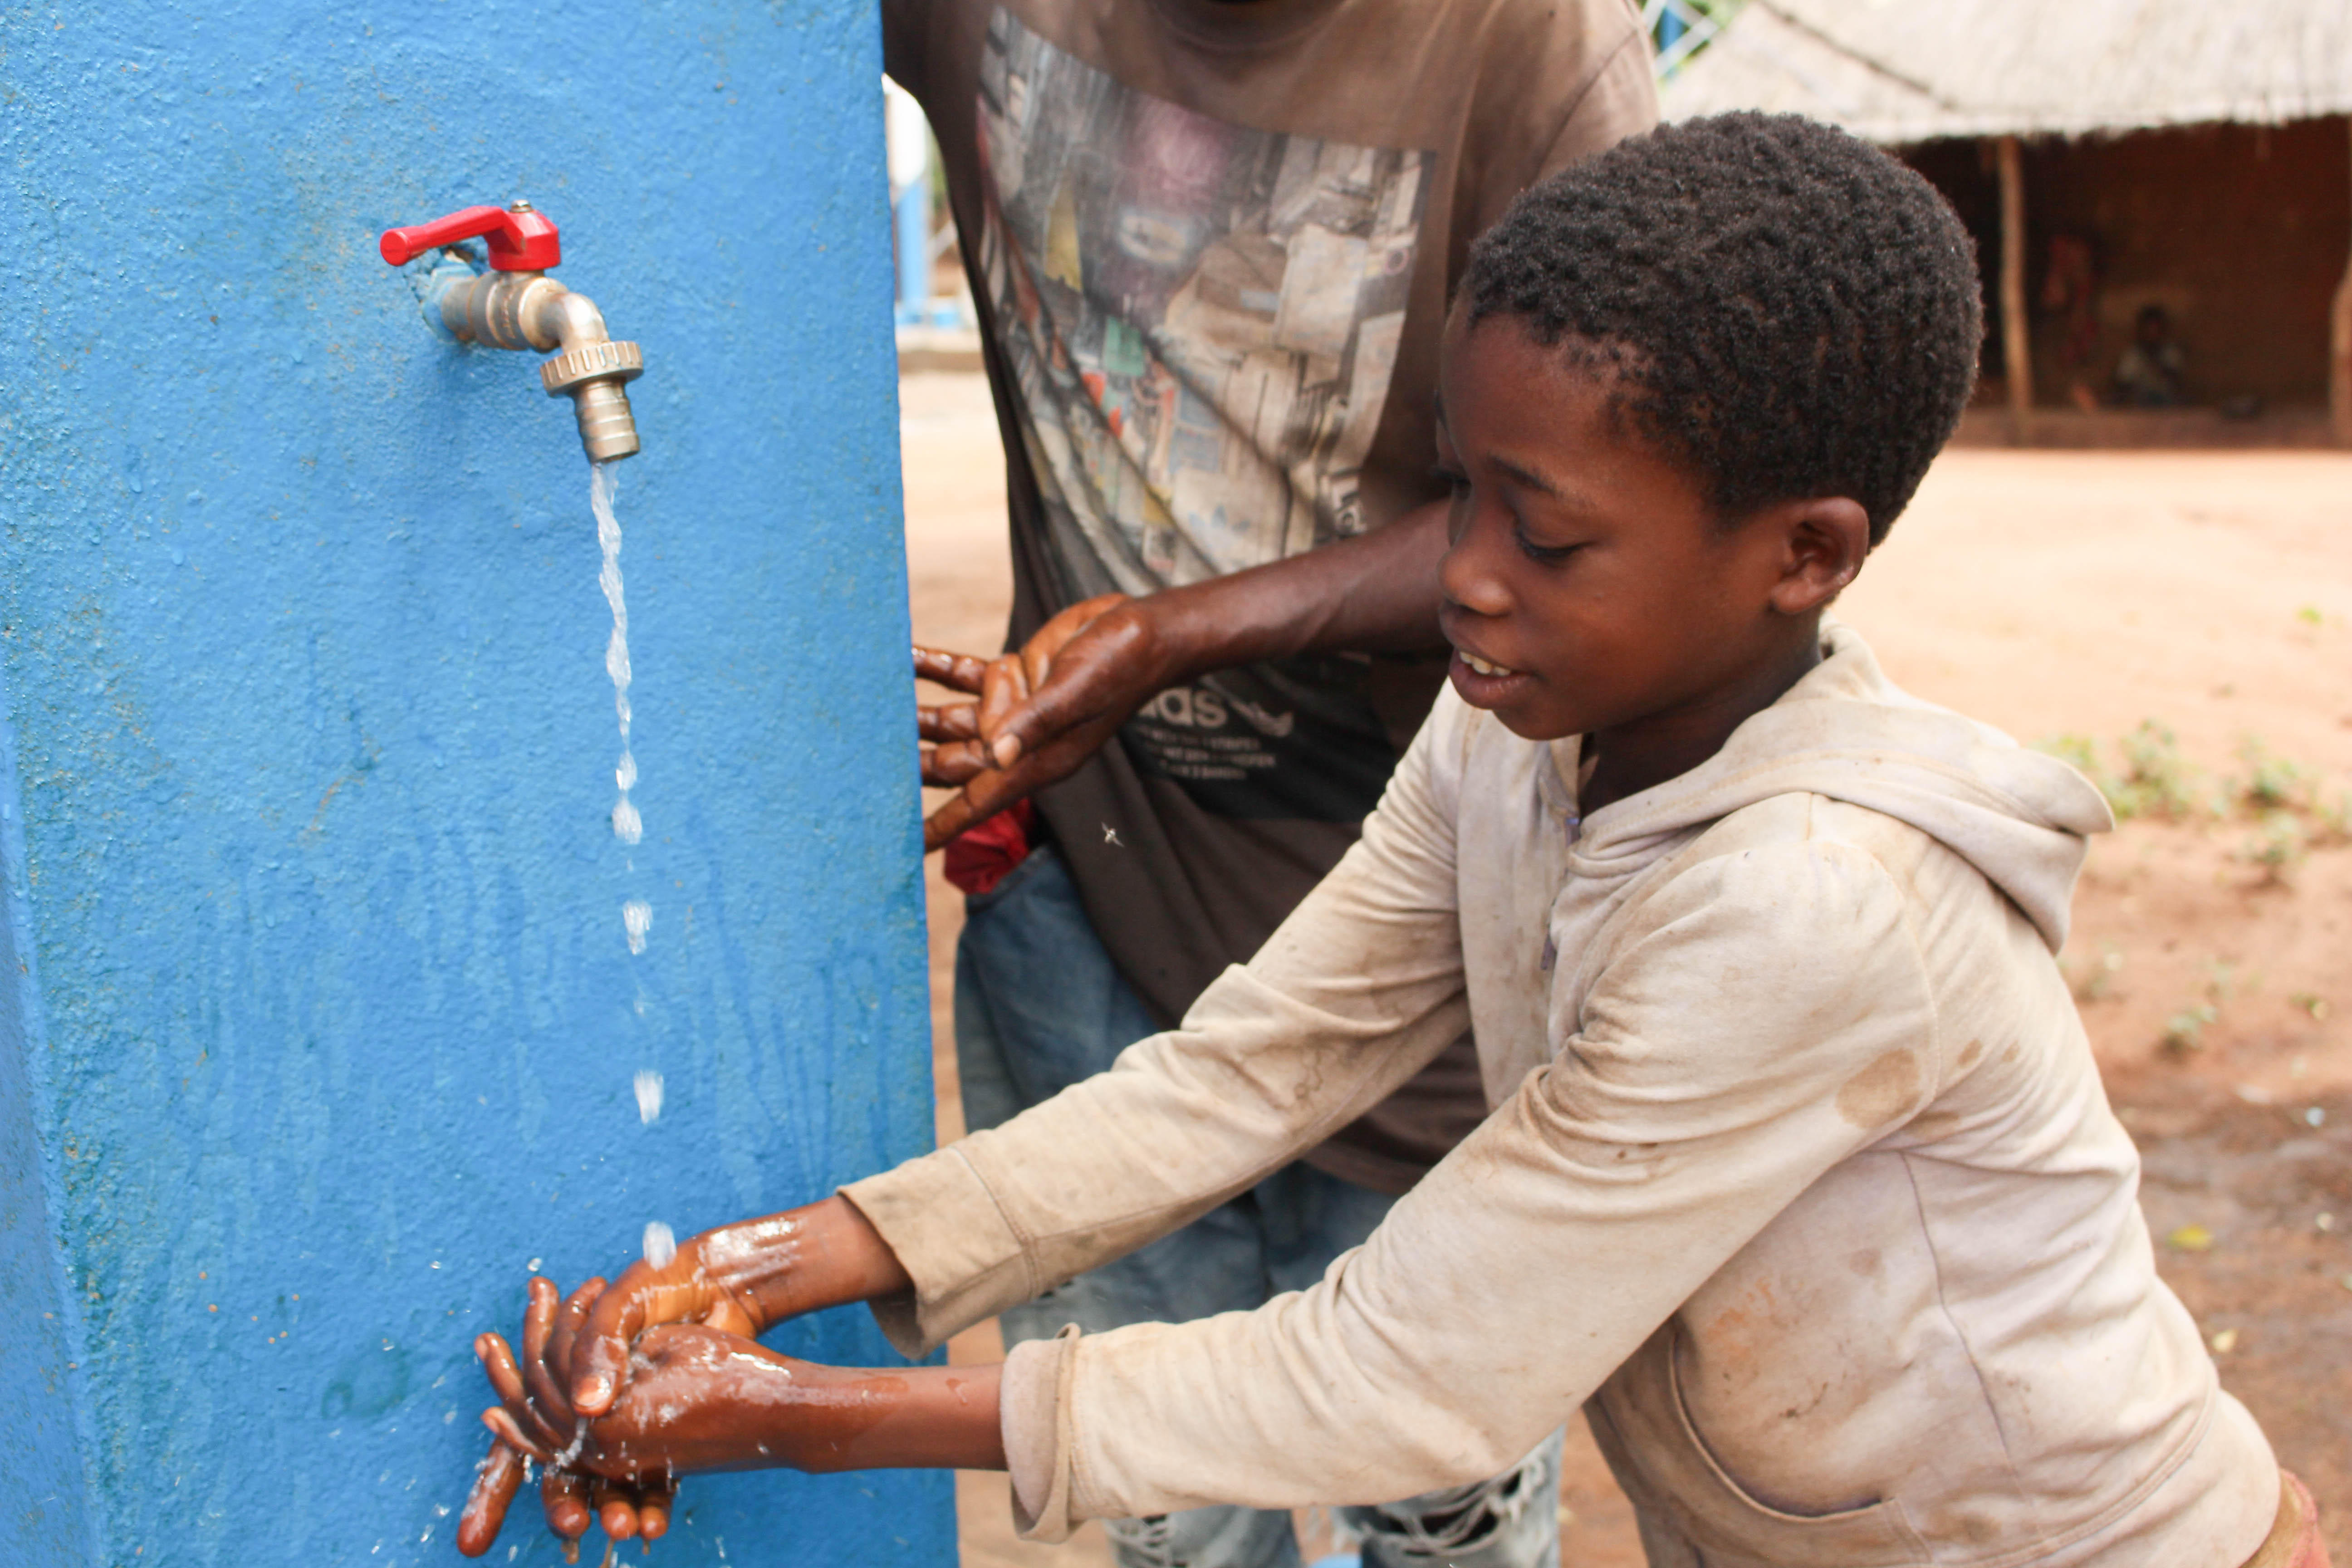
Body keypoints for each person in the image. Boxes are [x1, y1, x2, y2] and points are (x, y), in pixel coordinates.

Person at [459, 115, 2327, 1568]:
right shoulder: (1523, 732)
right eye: (1462, 497)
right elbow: (1261, 1064)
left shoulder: (1818, 907)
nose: (1469, 583)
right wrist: (801, 1256)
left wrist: (793, 1415)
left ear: (1806, 557)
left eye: (1549, 534)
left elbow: (1408, 1375)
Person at [897, 0, 1656, 1563]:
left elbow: (1599, 503)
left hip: (1437, 931)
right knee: (1171, 1519)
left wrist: (1167, 635)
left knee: (1440, 1514)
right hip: (1091, 890)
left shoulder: (1532, 48)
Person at [2111, 303, 2186, 407]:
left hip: (2167, 408)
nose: (2152, 334)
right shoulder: (2132, 356)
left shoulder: (2170, 353)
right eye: (2149, 329)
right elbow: (2123, 384)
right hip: (2139, 407)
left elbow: (2176, 382)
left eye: (2156, 329)